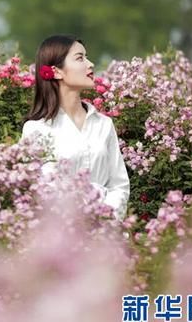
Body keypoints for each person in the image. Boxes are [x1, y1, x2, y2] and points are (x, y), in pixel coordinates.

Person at [20, 34, 130, 220]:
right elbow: (34, 190)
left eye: (86, 57)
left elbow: (119, 186)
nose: (90, 64)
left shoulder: (104, 124)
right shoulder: (36, 129)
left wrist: (105, 219)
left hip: (105, 234)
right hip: (60, 234)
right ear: (56, 71)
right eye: (80, 58)